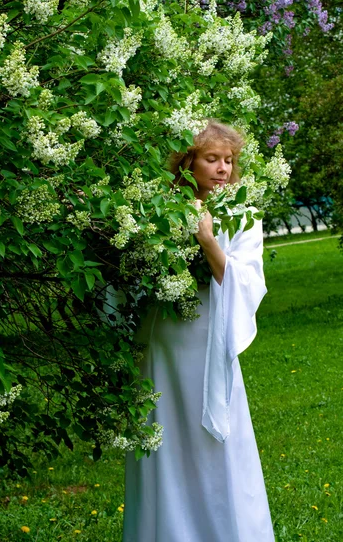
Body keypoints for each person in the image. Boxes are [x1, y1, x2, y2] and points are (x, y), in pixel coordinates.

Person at [122, 120, 275, 542]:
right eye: (212, 159)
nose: (224, 168)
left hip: (210, 337)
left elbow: (248, 281)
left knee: (215, 441)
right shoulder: (160, 206)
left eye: (229, 160)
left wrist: (208, 242)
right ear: (187, 161)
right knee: (167, 433)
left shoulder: (243, 212)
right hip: (166, 340)